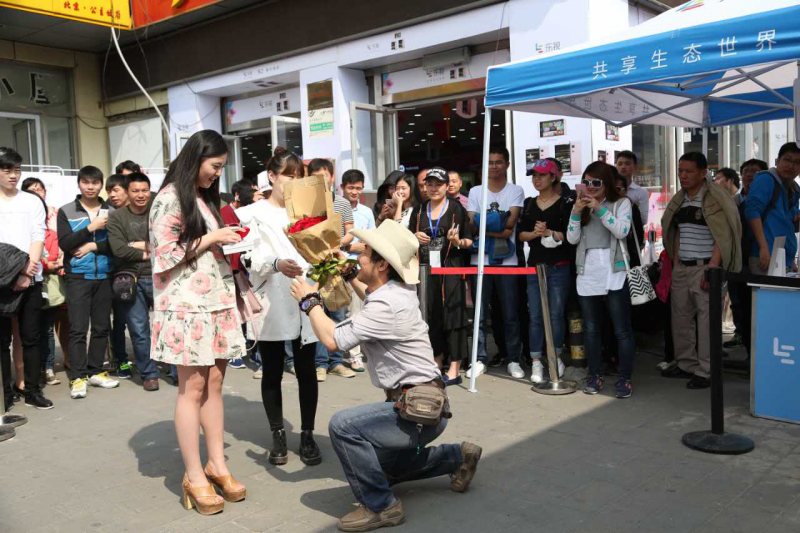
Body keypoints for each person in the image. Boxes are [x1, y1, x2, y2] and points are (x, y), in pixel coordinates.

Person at [289, 220, 482, 532]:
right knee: (380, 469)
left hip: (417, 412)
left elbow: (332, 340)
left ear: (381, 264)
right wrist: (350, 274)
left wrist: (309, 302)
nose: (357, 255)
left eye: (364, 253)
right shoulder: (395, 291)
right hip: (427, 406)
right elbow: (371, 294)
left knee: (343, 426)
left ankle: (382, 507)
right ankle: (456, 456)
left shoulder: (386, 305)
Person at [149, 130, 246, 515]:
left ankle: (216, 463)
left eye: (221, 168)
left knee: (215, 384)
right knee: (191, 389)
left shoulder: (205, 200)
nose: (216, 174)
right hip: (186, 307)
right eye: (214, 166)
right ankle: (193, 473)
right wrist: (212, 239)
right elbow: (163, 255)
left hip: (215, 302)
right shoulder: (169, 198)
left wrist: (230, 241)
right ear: (197, 158)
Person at [237, 147, 321, 467]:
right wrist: (275, 263)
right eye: (289, 175)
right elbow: (249, 257)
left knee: (306, 368)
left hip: (306, 293)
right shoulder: (251, 213)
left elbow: (321, 250)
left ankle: (308, 434)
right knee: (271, 368)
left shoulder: (309, 210)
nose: (294, 182)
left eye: (299, 176)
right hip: (270, 296)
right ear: (271, 176)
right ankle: (278, 434)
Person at [661, 152, 741, 389]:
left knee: (707, 323)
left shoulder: (715, 198)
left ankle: (707, 370)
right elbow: (676, 232)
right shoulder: (680, 199)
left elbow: (723, 235)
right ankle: (686, 364)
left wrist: (713, 267)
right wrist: (676, 262)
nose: (682, 176)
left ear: (703, 173)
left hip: (705, 267)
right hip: (682, 268)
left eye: (688, 171)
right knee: (681, 319)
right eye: (680, 171)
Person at [567, 162, 636, 398]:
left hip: (614, 272)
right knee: (591, 329)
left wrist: (600, 209)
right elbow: (571, 239)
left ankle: (625, 378)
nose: (590, 187)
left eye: (596, 182)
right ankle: (594, 375)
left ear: (607, 183)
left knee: (622, 330)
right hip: (587, 273)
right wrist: (577, 212)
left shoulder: (621, 203)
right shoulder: (580, 206)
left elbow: (622, 231)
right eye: (586, 182)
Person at [58, 165, 120, 399]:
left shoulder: (112, 210)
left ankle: (96, 371)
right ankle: (77, 376)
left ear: (101, 184)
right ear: (79, 184)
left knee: (102, 326)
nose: (91, 187)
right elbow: (65, 243)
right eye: (86, 182)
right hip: (77, 277)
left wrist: (95, 245)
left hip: (104, 275)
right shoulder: (67, 211)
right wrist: (90, 228)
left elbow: (118, 244)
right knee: (77, 329)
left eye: (95, 183)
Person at [0, 147, 54, 410]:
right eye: (7, 169)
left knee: (31, 337)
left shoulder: (31, 201)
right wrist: (11, 273)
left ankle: (32, 389)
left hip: (30, 279)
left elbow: (38, 236)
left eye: (17, 170)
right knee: (2, 342)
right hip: (1, 282)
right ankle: (4, 394)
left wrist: (25, 272)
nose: (13, 175)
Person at [466, 146, 525, 379]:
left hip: (507, 261)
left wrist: (485, 223)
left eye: (499, 162)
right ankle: (479, 358)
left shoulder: (515, 190)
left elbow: (510, 226)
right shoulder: (475, 191)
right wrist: (497, 222)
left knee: (510, 314)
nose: (494, 166)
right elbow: (472, 226)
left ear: (507, 165)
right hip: (477, 260)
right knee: (479, 314)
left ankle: (513, 358)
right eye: (490, 162)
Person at [409, 167, 472, 386]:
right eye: (430, 184)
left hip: (451, 268)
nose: (434, 188)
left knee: (454, 315)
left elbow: (469, 240)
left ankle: (455, 367)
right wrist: (414, 236)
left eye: (439, 184)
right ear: (424, 186)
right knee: (431, 314)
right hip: (426, 269)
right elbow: (407, 239)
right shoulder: (418, 210)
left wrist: (456, 242)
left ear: (447, 186)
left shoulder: (456, 209)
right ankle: (436, 361)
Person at [519, 159, 573, 383]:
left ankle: (556, 356)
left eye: (541, 175)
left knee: (556, 315)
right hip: (535, 267)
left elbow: (571, 236)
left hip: (559, 267)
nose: (537, 179)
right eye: (533, 176)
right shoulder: (529, 203)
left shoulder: (565, 204)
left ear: (554, 177)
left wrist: (550, 232)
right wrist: (536, 234)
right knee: (535, 316)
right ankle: (536, 361)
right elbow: (521, 235)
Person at [107, 172, 160, 392]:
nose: (141, 195)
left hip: (161, 276)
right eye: (135, 191)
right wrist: (150, 250)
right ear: (127, 192)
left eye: (145, 190)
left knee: (166, 326)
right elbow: (118, 249)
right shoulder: (117, 217)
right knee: (139, 330)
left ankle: (177, 371)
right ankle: (149, 374)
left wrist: (134, 244)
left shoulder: (159, 210)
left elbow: (167, 240)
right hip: (131, 279)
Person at [307, 159, 356, 381]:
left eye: (324, 175)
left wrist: (336, 245)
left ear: (332, 177)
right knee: (318, 311)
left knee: (338, 312)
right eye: (315, 177)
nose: (321, 180)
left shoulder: (343, 204)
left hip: (337, 263)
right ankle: (320, 363)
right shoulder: (307, 204)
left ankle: (336, 361)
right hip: (315, 264)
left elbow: (351, 232)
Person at [21, 177, 66, 386]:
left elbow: (54, 258)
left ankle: (47, 368)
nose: (37, 193)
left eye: (40, 189)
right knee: (27, 331)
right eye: (32, 190)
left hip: (47, 284)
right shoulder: (19, 227)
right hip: (22, 282)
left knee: (47, 328)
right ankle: (29, 373)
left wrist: (45, 263)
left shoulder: (51, 230)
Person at [220, 179, 263, 371]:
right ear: (238, 195)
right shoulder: (223, 213)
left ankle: (253, 351)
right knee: (232, 313)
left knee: (250, 310)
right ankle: (234, 352)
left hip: (249, 269)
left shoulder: (255, 213)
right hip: (229, 269)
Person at [744, 142, 800, 275]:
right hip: (765, 257)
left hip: (783, 260)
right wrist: (763, 248)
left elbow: (790, 227)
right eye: (787, 159)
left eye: (797, 162)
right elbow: (751, 211)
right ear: (777, 160)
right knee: (766, 295)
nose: (791, 166)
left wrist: (790, 260)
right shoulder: (766, 179)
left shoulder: (794, 189)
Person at [341, 168, 375, 373]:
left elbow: (371, 241)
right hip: (336, 265)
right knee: (336, 311)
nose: (354, 192)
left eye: (358, 188)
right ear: (343, 188)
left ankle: (355, 355)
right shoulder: (334, 208)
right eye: (351, 188)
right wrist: (349, 247)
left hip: (357, 268)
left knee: (356, 311)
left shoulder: (366, 212)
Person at [105, 173, 132, 377]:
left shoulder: (139, 212)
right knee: (120, 321)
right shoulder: (108, 214)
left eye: (116, 190)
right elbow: (114, 246)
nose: (112, 195)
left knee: (140, 323)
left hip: (142, 273)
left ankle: (148, 359)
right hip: (117, 275)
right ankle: (121, 360)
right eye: (109, 191)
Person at [614, 171, 646, 259]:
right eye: (611, 189)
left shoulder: (631, 206)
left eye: (617, 189)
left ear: (625, 190)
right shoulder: (604, 206)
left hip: (629, 252)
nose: (614, 192)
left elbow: (638, 228)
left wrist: (636, 248)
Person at [615, 150, 649, 228]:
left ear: (635, 167)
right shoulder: (609, 189)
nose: (623, 167)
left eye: (627, 163)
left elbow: (643, 220)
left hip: (633, 237)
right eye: (620, 164)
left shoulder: (641, 192)